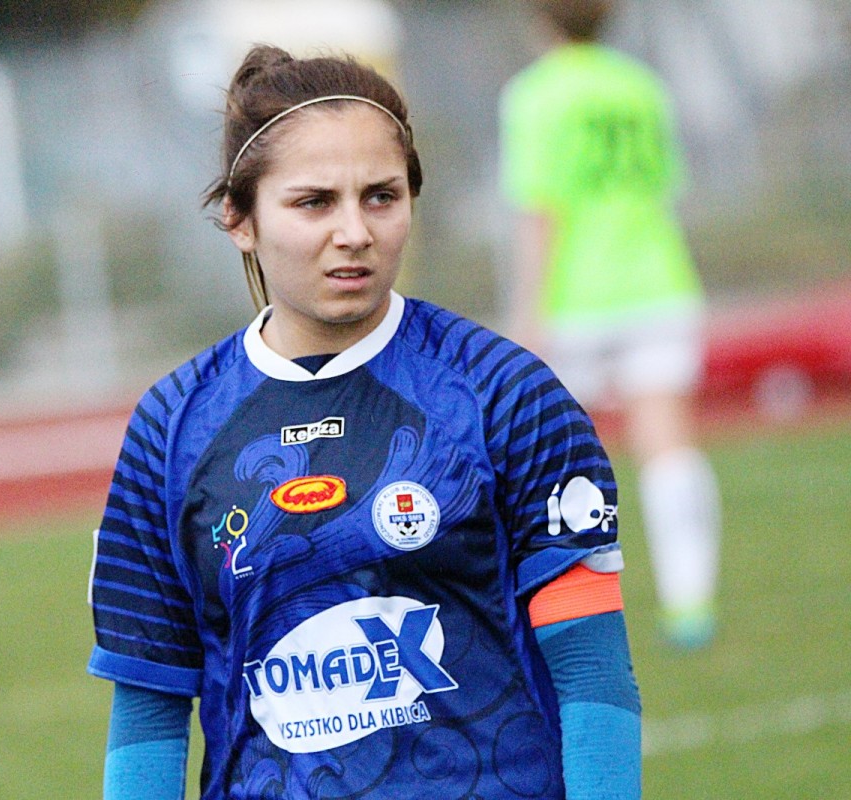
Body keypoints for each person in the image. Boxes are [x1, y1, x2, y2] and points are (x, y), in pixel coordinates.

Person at [88, 45, 641, 799]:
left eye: (381, 196)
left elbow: (591, 669)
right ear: (239, 219)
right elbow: (149, 712)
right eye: (314, 202)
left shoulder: (505, 394)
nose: (354, 231)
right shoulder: (170, 430)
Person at [498, 0, 721, 650]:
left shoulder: (535, 95)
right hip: (657, 281)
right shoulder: (641, 86)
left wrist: (526, 313)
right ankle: (690, 602)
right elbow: (663, 185)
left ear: (540, 20)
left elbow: (541, 211)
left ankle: (560, 604)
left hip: (576, 296)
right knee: (667, 442)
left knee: (553, 458)